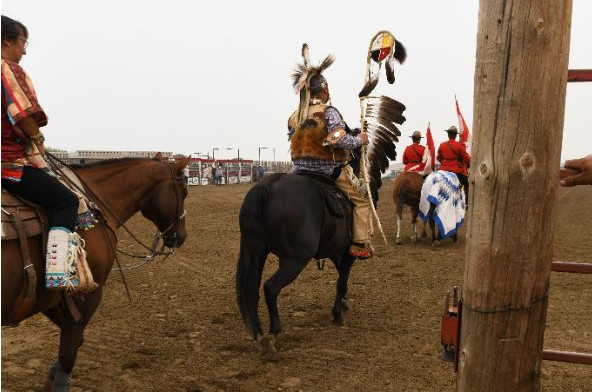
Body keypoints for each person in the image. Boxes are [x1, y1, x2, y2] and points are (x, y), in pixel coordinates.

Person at [1, 15, 82, 290]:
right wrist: (37, 137)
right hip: (7, 164)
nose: (24, 50)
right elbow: (21, 113)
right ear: (7, 41)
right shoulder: (6, 68)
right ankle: (60, 273)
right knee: (66, 201)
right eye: (23, 42)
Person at [288, 46, 373, 259]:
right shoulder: (329, 112)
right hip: (329, 170)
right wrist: (359, 139)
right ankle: (360, 243)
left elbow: (293, 139)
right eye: (327, 88)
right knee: (362, 199)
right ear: (323, 89)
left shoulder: (295, 116)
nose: (328, 92)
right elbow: (339, 139)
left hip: (297, 171)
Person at [437, 125, 471, 203]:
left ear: (448, 134)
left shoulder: (442, 145)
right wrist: (470, 163)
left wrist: (444, 163)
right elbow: (466, 157)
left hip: (443, 169)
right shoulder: (460, 145)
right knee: (466, 184)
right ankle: (466, 203)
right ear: (455, 135)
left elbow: (439, 157)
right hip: (456, 170)